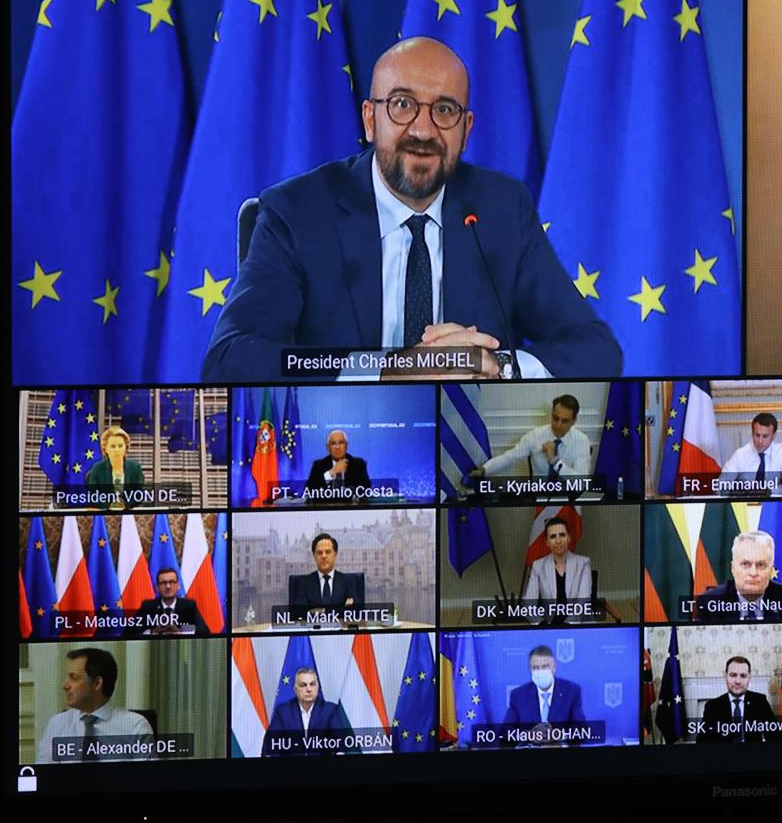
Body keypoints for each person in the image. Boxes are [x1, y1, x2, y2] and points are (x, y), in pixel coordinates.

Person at [202, 36, 621, 383]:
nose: (423, 130)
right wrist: (392, 368)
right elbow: (230, 359)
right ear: (370, 120)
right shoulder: (297, 212)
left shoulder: (501, 209)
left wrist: (496, 365)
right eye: (402, 105)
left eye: (444, 110)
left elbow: (595, 351)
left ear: (466, 129)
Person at [37, 647, 153, 763]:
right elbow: (44, 775)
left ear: (97, 683)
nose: (65, 686)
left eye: (73, 678)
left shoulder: (135, 726)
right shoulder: (57, 724)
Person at [470, 395, 591, 480]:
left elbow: (580, 482)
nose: (558, 425)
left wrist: (554, 461)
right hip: (541, 499)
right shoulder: (536, 436)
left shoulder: (581, 441)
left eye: (565, 421)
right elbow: (509, 457)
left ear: (574, 421)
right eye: (555, 418)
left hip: (569, 502)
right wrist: (484, 470)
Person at [694, 531, 782, 623]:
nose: (753, 573)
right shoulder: (709, 603)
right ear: (733, 568)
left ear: (771, 570)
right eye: (745, 564)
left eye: (761, 565)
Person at [262, 667, 353, 756]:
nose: (309, 689)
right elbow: (271, 745)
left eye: (312, 684)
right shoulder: (283, 711)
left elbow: (339, 742)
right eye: (303, 685)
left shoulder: (330, 710)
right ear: (295, 689)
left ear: (318, 687)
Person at [696, 656, 782, 743]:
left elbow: (777, 738)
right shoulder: (713, 706)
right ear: (725, 676)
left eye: (743, 676)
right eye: (733, 675)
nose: (738, 681)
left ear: (749, 678)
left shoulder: (759, 701)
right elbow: (702, 742)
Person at [521, 517, 594, 623]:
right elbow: (529, 603)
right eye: (553, 536)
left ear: (569, 538)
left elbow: (582, 602)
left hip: (579, 624)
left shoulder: (583, 563)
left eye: (562, 535)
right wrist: (541, 624)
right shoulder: (538, 566)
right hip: (550, 625)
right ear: (547, 542)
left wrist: (568, 625)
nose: (558, 541)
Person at [502, 645, 585, 728]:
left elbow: (581, 729)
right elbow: (506, 732)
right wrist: (529, 735)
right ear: (530, 670)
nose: (540, 671)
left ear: (554, 667)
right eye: (535, 668)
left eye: (545, 667)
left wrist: (557, 735)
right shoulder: (518, 695)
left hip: (560, 741)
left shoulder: (571, 691)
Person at [719, 413, 782, 488]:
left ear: (773, 436)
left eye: (765, 436)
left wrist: (770, 492)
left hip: (773, 502)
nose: (760, 441)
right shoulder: (740, 454)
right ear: (752, 433)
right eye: (757, 435)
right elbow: (721, 485)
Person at [287, 533, 366, 610]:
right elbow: (299, 614)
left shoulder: (350, 582)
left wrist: (320, 611)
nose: (324, 556)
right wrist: (341, 609)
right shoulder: (302, 584)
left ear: (335, 554)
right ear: (314, 556)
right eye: (319, 553)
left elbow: (356, 613)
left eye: (328, 552)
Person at [130, 567, 207, 636]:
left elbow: (204, 631)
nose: (168, 586)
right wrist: (153, 632)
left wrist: (180, 632)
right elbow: (130, 632)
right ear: (157, 587)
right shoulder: (148, 607)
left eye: (172, 582)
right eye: (163, 583)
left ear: (178, 586)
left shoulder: (188, 606)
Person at [83, 426, 144, 507]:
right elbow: (93, 496)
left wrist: (125, 506)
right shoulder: (97, 468)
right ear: (105, 448)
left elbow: (139, 495)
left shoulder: (135, 468)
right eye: (112, 446)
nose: (116, 450)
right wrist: (109, 506)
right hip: (104, 514)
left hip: (128, 514)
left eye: (120, 446)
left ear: (126, 447)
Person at [304, 430, 372, 502]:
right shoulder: (318, 465)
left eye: (341, 443)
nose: (337, 447)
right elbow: (309, 491)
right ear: (328, 448)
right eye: (333, 443)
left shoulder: (358, 464)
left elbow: (366, 490)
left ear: (346, 446)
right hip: (325, 510)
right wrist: (332, 472)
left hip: (351, 509)